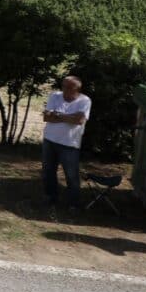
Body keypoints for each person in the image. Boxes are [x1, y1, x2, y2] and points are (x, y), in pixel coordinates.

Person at [41, 75, 92, 211]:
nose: (65, 89)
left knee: (71, 175)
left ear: (77, 88)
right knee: (48, 171)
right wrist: (69, 117)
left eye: (69, 87)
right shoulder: (55, 96)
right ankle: (50, 197)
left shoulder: (84, 100)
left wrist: (57, 115)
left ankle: (73, 203)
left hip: (69, 144)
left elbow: (80, 120)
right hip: (50, 140)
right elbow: (46, 117)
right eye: (64, 86)